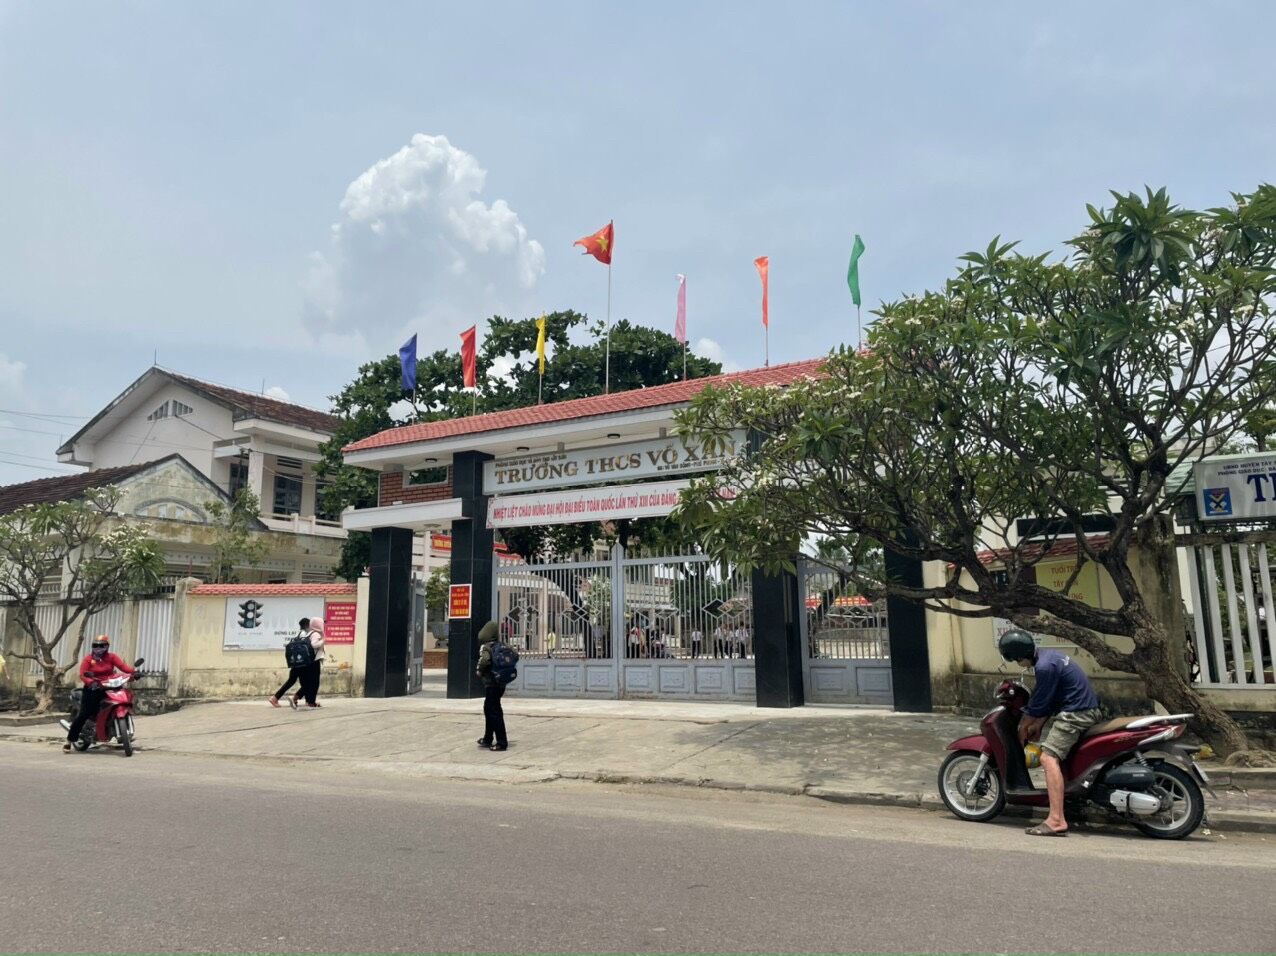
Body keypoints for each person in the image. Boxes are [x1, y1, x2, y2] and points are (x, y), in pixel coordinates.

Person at [999, 628, 1102, 837]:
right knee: (1059, 758)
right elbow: (1051, 699)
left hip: (1076, 714)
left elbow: (1038, 704)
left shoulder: (1044, 667)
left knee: (1047, 758)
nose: (1017, 663)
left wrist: (1023, 727)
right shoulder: (1049, 656)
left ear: (1018, 656)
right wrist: (1039, 724)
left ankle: (1056, 820)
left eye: (1015, 659)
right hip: (1083, 709)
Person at [64, 635, 135, 753]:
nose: (98, 648)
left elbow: (124, 668)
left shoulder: (112, 657)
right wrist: (90, 682)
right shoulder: (88, 659)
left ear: (107, 646)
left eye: (101, 646)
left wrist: (135, 673)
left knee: (120, 700)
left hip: (109, 686)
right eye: (95, 646)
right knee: (85, 713)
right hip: (93, 688)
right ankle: (69, 740)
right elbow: (82, 674)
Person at [475, 621, 513, 751]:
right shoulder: (502, 645)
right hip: (501, 682)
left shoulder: (486, 647)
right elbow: (515, 655)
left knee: (493, 711)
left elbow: (484, 660)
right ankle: (487, 738)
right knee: (490, 708)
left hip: (491, 683)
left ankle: (502, 742)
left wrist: (479, 670)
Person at [268, 617, 310, 709]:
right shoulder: (304, 634)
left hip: (296, 663)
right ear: (307, 625)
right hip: (301, 663)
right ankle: (305, 701)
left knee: (293, 681)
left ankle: (275, 698)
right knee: (307, 683)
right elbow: (305, 647)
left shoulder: (298, 634)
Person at [296, 618, 326, 708]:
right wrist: (323, 641)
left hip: (309, 660)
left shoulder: (309, 633)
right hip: (314, 660)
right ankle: (310, 702)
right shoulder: (316, 634)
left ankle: (309, 701)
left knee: (310, 682)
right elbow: (314, 645)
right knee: (315, 682)